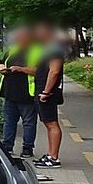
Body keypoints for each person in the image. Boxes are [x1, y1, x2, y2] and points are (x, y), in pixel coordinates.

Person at [0, 26, 41, 157]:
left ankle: (27, 148)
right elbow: (1, 62)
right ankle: (7, 146)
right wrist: (1, 67)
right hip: (9, 92)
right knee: (9, 121)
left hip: (27, 94)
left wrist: (20, 69)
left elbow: (40, 70)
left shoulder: (37, 51)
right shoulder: (13, 50)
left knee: (28, 122)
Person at [31, 23, 66, 168]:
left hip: (48, 93)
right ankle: (51, 154)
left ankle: (54, 158)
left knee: (52, 123)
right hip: (43, 91)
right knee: (48, 123)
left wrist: (46, 92)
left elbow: (54, 71)